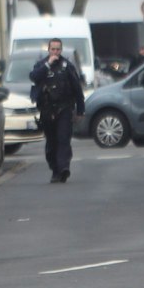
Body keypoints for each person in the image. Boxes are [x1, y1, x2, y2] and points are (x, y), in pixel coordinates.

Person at [29, 38, 86, 183]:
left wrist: (80, 110)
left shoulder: (67, 66)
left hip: (64, 109)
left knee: (63, 139)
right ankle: (55, 170)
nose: (55, 52)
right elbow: (34, 77)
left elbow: (77, 88)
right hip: (47, 110)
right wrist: (48, 65)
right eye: (53, 49)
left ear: (61, 50)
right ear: (48, 50)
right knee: (52, 141)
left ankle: (64, 168)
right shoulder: (42, 65)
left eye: (58, 49)